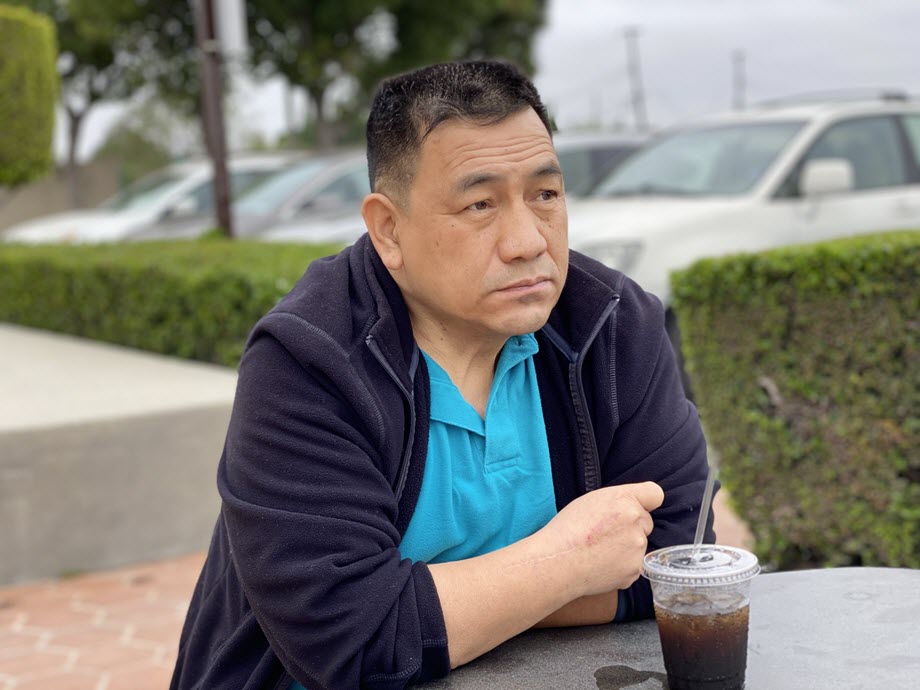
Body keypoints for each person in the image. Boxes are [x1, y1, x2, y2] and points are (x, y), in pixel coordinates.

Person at [171, 60, 715, 690]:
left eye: (545, 195)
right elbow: (349, 645)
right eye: (480, 204)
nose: (528, 242)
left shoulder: (611, 324)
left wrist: (439, 608)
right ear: (388, 229)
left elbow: (680, 563)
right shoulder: (310, 361)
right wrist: (569, 562)